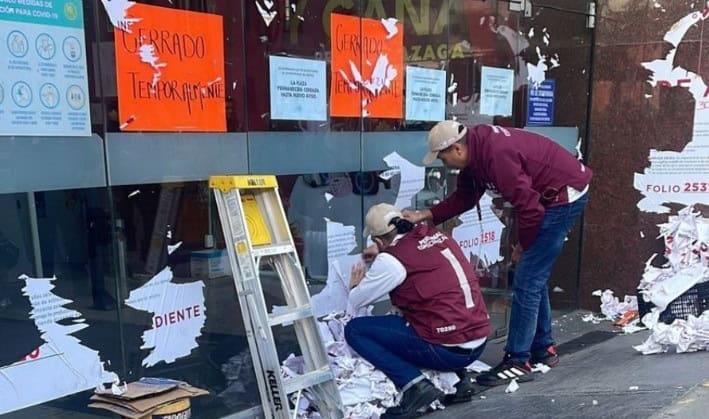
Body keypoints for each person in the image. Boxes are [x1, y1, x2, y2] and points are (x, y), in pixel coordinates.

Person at [405, 121, 592, 387]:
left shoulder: (496, 155)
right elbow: (465, 197)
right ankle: (543, 348)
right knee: (532, 275)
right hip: (545, 199)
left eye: (443, 157)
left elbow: (531, 210)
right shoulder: (476, 153)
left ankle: (518, 360)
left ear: (457, 148)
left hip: (563, 197)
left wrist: (522, 246)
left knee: (527, 278)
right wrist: (427, 215)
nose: (443, 163)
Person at [344, 203, 490, 418]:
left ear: (377, 240)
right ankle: (459, 380)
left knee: (356, 330)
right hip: (478, 341)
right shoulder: (437, 236)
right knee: (431, 312)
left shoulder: (392, 259)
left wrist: (356, 286)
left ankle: (414, 387)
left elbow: (357, 301)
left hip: (448, 350)